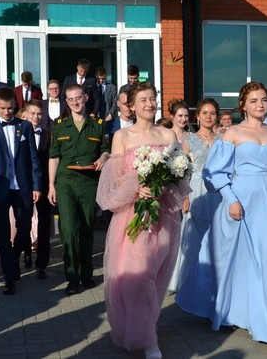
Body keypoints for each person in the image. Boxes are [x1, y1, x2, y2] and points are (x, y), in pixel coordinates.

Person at [176, 81, 267, 354]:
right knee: (236, 259)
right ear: (243, 104)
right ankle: (237, 311)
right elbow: (215, 172)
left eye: (264, 99)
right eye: (254, 100)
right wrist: (231, 199)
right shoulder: (232, 132)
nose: (260, 104)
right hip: (241, 200)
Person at [96, 81, 190, 359]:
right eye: (144, 100)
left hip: (163, 217)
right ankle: (149, 341)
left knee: (155, 276)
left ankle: (146, 325)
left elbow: (180, 173)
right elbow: (116, 179)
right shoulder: (121, 136)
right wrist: (137, 187)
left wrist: (163, 186)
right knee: (139, 277)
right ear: (132, 106)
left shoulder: (168, 135)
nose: (150, 104)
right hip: (133, 216)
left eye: (152, 99)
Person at [49, 84, 111, 295]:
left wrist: (103, 158)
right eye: (71, 99)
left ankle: (86, 274)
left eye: (78, 98)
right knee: (67, 228)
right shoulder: (59, 126)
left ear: (85, 98)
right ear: (66, 102)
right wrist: (51, 186)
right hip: (65, 182)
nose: (75, 102)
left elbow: (105, 150)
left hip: (88, 183)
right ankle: (72, 277)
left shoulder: (98, 125)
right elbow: (54, 157)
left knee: (86, 228)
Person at [0, 87, 43, 295]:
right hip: (0, 189)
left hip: (23, 187)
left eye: (10, 108)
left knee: (24, 228)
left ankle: (15, 258)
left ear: (15, 106)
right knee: (3, 234)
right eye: (3, 108)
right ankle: (9, 278)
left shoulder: (25, 127)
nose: (7, 112)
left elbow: (33, 158)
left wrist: (36, 185)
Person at [168, 98, 220, 294]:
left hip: (218, 191)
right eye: (204, 113)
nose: (208, 116)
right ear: (197, 116)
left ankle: (214, 278)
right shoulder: (188, 141)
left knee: (216, 234)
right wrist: (184, 196)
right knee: (193, 235)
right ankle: (189, 280)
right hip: (196, 190)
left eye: (212, 113)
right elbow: (183, 173)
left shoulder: (223, 140)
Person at [22, 100, 52, 279]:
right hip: (25, 184)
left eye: (39, 114)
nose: (36, 117)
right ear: (26, 114)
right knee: (24, 221)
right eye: (32, 113)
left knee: (44, 224)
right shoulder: (20, 133)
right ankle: (26, 252)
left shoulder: (49, 135)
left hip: (45, 185)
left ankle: (42, 264)